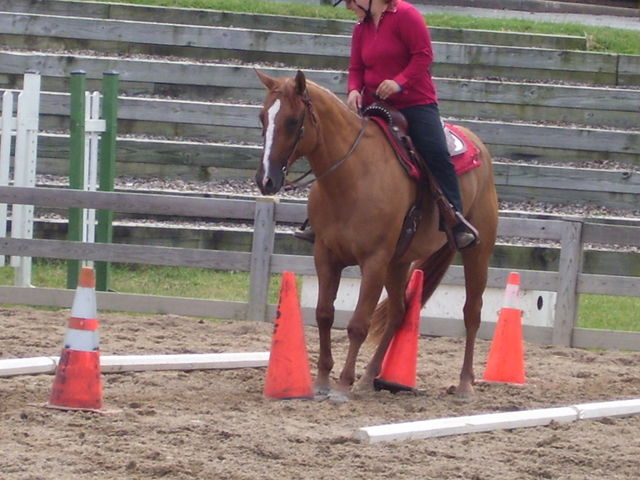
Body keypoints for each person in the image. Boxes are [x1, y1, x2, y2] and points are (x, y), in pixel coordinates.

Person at [296, 0, 478, 250]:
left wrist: (399, 82)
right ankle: (321, 220)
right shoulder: (361, 27)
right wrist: (353, 91)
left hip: (415, 103)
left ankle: (454, 219)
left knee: (435, 152)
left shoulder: (406, 15)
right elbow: (356, 67)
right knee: (339, 149)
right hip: (375, 103)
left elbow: (423, 56)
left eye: (351, 0)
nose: (349, 6)